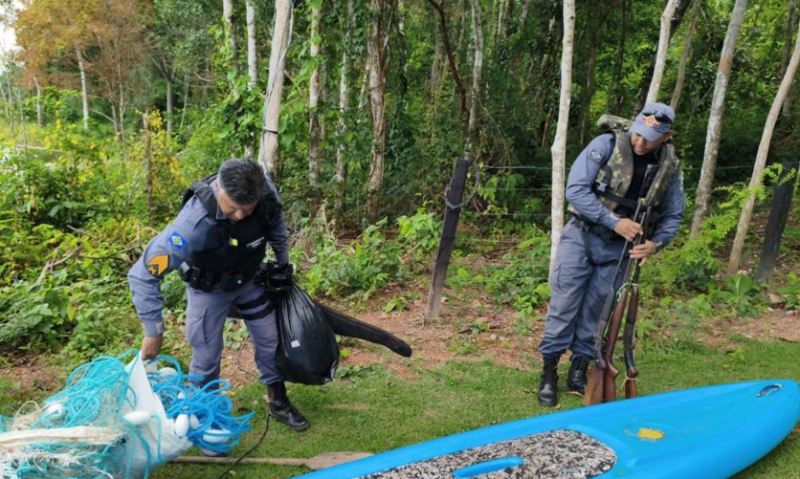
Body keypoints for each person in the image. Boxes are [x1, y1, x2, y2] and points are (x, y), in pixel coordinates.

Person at [128, 159, 310, 437]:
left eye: (247, 208)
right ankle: (203, 419)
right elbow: (143, 274)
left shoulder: (265, 192)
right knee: (206, 355)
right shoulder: (192, 224)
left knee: (270, 340)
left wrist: (283, 265)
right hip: (208, 289)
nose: (240, 215)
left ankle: (278, 402)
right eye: (233, 207)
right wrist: (154, 331)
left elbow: (276, 227)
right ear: (218, 189)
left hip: (249, 279)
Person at [537, 102, 686, 407]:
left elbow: (674, 214)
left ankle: (578, 371)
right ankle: (549, 372)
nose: (640, 142)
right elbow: (576, 190)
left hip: (620, 250)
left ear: (667, 136)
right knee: (564, 305)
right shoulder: (605, 145)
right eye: (638, 133)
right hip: (582, 236)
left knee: (598, 311)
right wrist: (614, 221)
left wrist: (656, 244)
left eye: (650, 138)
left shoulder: (670, 167)